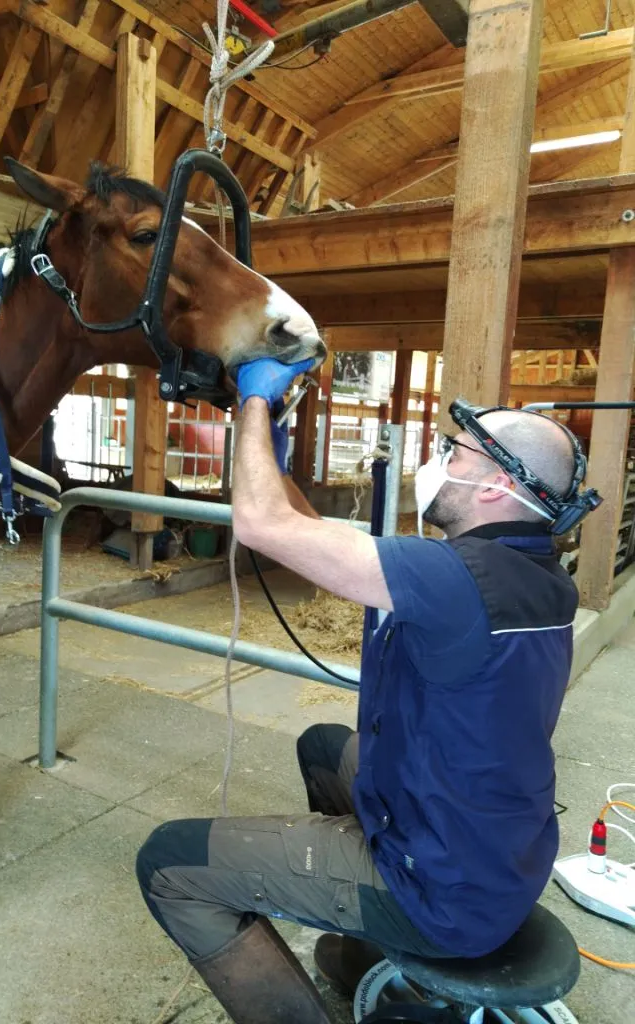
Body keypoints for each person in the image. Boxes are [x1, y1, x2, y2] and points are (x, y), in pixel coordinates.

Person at [136, 357, 586, 1024]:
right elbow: (316, 538)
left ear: (496, 487)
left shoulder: (453, 579)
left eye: (453, 454)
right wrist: (274, 459)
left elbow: (261, 529)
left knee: (169, 863)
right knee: (325, 747)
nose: (436, 461)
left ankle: (357, 947)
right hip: (499, 860)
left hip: (439, 890)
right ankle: (366, 950)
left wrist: (254, 403)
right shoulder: (533, 573)